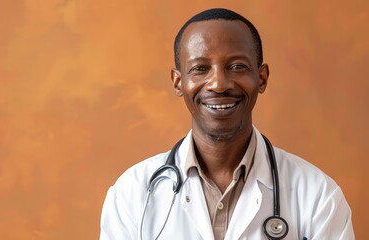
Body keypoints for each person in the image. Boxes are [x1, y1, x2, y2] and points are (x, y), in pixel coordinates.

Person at [100, 8, 355, 240]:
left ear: (262, 77)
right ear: (178, 82)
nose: (219, 84)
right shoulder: (131, 194)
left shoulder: (318, 195)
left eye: (236, 66)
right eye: (200, 68)